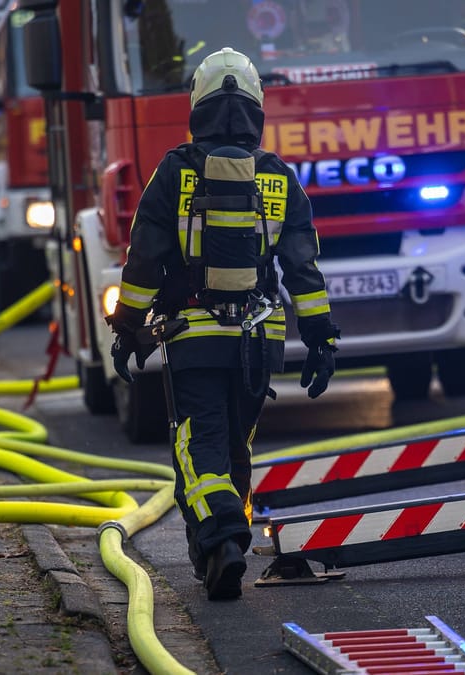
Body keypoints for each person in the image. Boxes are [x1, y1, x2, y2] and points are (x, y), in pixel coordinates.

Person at [104, 47, 340, 601]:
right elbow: (303, 269)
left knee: (196, 444)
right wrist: (321, 340)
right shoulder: (278, 177)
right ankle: (217, 550)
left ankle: (224, 536)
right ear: (257, 107)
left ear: (198, 105)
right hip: (260, 340)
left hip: (194, 336)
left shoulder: (174, 171)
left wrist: (128, 328)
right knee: (235, 445)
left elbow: (144, 259)